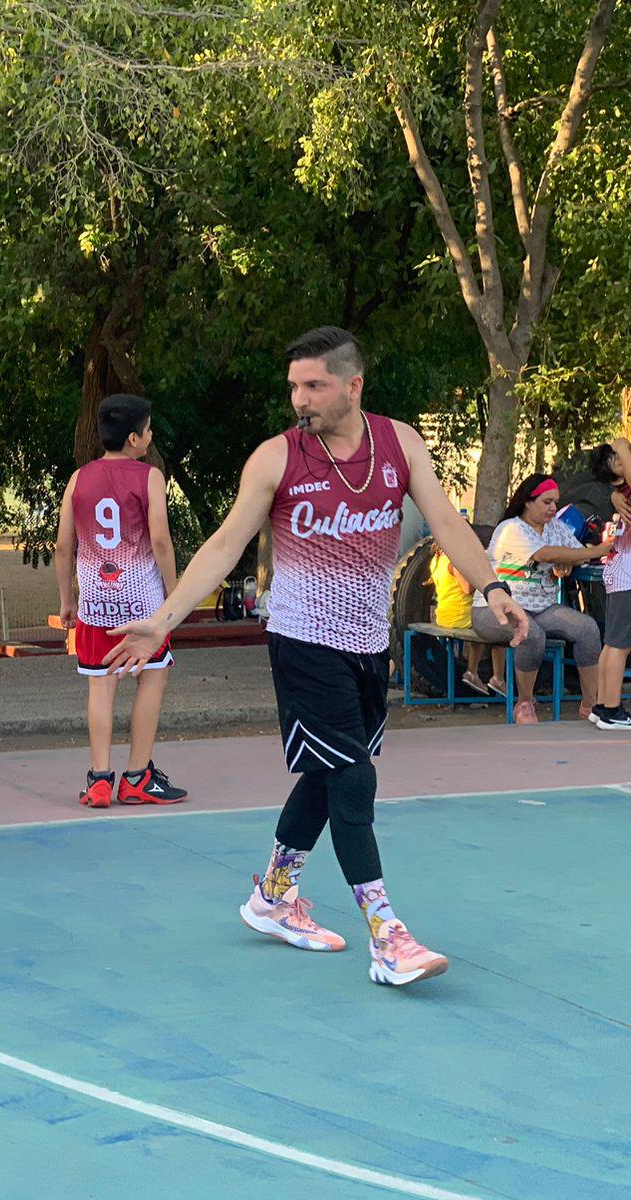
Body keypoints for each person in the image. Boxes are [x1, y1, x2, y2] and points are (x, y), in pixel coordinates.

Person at [106, 326, 529, 988]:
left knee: (329, 777)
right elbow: (222, 546)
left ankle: (273, 897)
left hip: (367, 643)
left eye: (314, 385)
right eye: (294, 386)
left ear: (352, 385)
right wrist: (161, 622)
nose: (299, 398)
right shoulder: (276, 459)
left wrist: (495, 587)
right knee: (355, 779)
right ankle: (388, 937)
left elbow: (448, 523)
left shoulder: (399, 445)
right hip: (304, 640)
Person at [54, 393, 188, 808]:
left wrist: (66, 600)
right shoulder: (149, 478)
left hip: (96, 601)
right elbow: (161, 541)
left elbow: (63, 547)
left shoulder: (78, 479)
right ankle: (136, 777)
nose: (150, 437)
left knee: (101, 685)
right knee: (152, 678)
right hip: (142, 603)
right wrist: (176, 592)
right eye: (148, 431)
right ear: (134, 438)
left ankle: (98, 779)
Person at [470, 473, 613, 724]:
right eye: (546, 502)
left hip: (542, 607)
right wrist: (592, 551)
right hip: (494, 610)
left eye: (555, 502)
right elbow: (545, 553)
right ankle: (525, 703)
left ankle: (590, 703)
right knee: (531, 633)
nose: (553, 508)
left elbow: (575, 553)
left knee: (587, 628)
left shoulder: (555, 527)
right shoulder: (511, 528)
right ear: (528, 501)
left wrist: (568, 561)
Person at [427, 530, 505, 695]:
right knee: (499, 627)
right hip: (460, 615)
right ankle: (495, 677)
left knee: (487, 623)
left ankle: (475, 672)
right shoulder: (456, 561)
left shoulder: (436, 559)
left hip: (444, 615)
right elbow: (467, 588)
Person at [588, 438, 631, 729]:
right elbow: (623, 443)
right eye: (617, 458)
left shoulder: (622, 494)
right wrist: (621, 446)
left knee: (612, 643)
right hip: (627, 574)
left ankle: (602, 704)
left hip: (619, 572)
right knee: (620, 645)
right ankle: (611, 710)